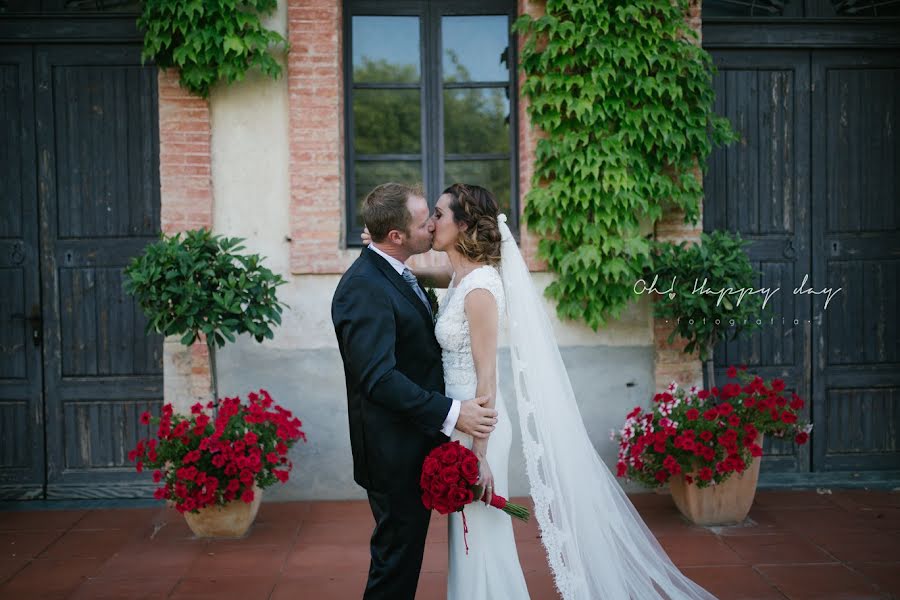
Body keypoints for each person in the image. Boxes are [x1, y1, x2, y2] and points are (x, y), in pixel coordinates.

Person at [363, 183, 719, 600]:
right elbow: (432, 274)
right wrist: (387, 257)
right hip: (456, 419)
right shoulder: (462, 275)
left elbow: (487, 377)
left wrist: (479, 454)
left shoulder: (479, 288)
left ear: (462, 225)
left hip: (478, 423)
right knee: (470, 545)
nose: (430, 222)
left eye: (438, 214)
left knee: (481, 545)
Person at [331, 182, 500, 600]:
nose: (430, 224)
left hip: (422, 435)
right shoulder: (363, 287)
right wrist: (451, 413)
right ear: (396, 237)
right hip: (394, 450)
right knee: (396, 565)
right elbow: (378, 378)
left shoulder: (397, 270)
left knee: (406, 559)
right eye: (423, 219)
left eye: (435, 215)